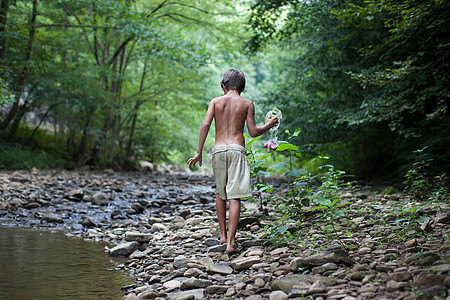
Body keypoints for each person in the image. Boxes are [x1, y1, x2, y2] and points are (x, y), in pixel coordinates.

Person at [187, 69, 278, 254]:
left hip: (219, 150)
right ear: (242, 88)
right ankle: (231, 243)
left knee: (221, 194)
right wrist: (269, 125)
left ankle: (221, 235)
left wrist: (198, 152)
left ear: (223, 86)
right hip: (237, 150)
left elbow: (205, 125)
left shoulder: (215, 101)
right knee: (234, 196)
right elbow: (253, 132)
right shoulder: (247, 104)